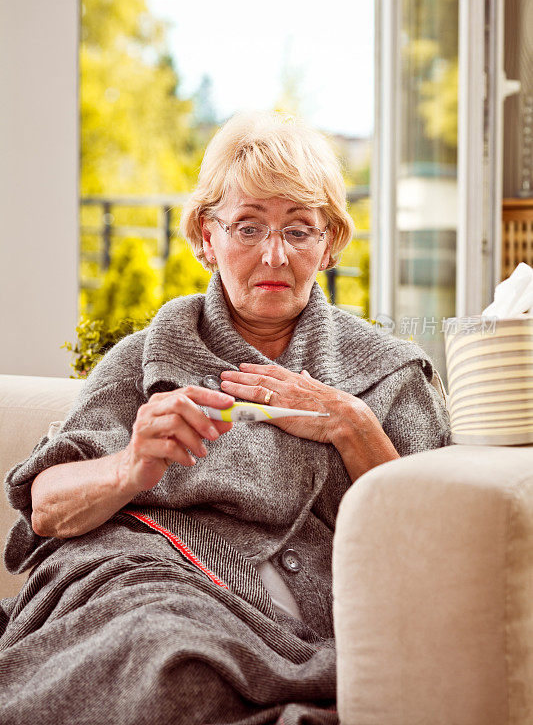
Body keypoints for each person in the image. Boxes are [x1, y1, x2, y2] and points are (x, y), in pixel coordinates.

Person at [0, 111, 451, 725]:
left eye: (299, 230)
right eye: (248, 228)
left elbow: (446, 542)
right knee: (158, 650)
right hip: (141, 578)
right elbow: (45, 503)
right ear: (206, 238)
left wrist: (353, 427)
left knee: (179, 665)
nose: (275, 255)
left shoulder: (388, 373)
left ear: (330, 244)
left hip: (290, 618)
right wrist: (132, 467)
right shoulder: (148, 354)